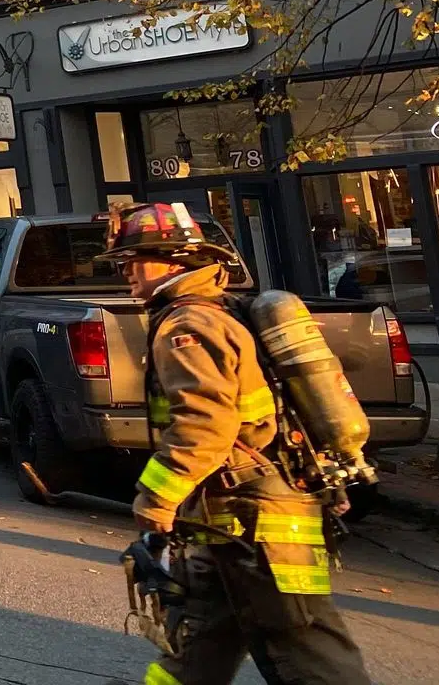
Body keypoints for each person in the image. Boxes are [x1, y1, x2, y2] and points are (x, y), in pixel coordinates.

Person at [106, 201, 367, 685]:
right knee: (200, 643)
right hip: (235, 518)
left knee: (305, 649)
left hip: (254, 519)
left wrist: (157, 495)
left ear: (173, 261)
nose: (126, 273)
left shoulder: (186, 326)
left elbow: (205, 422)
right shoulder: (218, 311)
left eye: (134, 260)